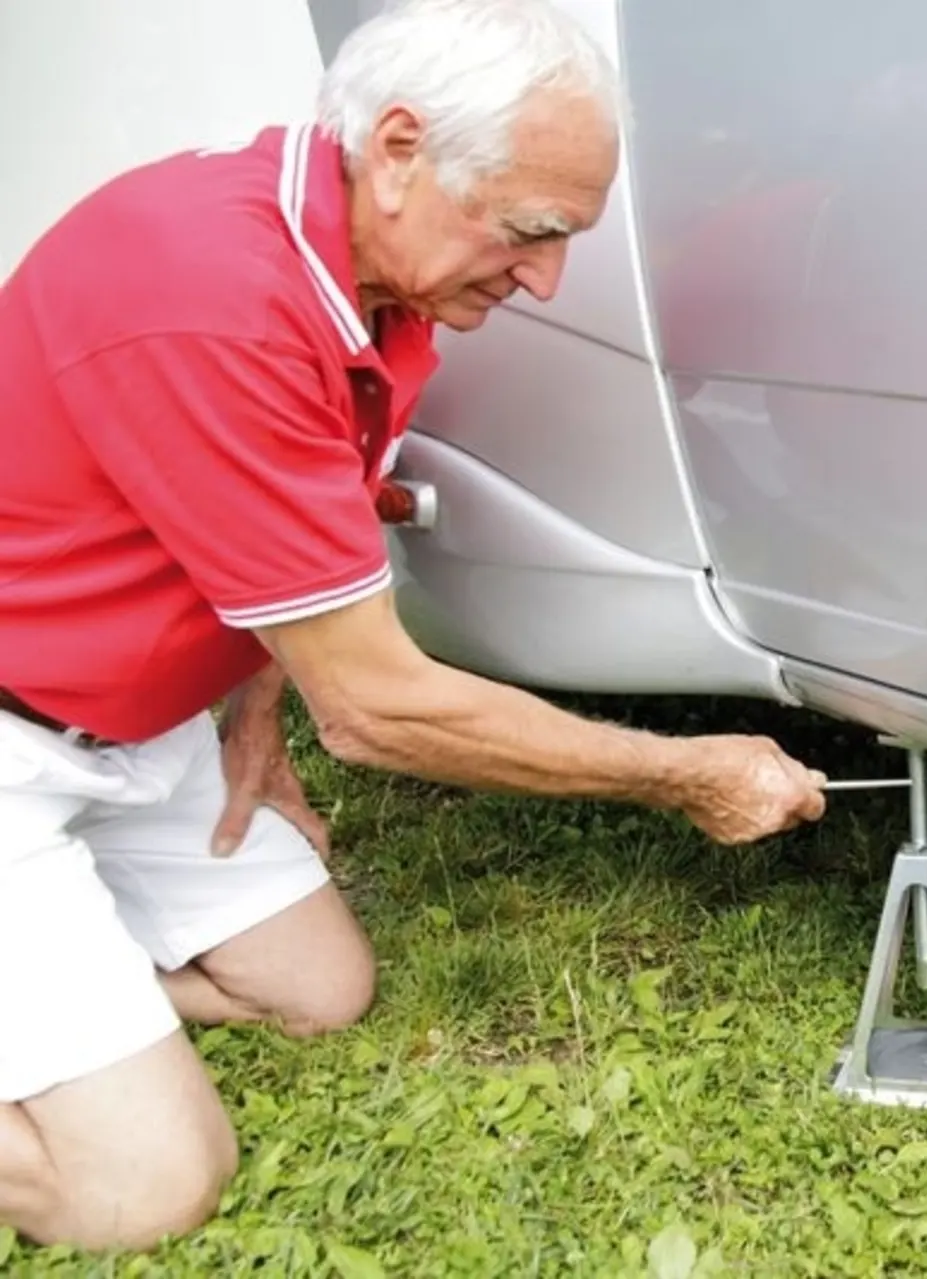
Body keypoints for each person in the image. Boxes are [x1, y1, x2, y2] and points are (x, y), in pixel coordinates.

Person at [0, 0, 827, 1252]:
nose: (545, 279)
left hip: (128, 732)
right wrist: (684, 772)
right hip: (14, 736)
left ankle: (79, 994)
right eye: (533, 230)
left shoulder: (367, 283)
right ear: (398, 150)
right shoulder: (211, 297)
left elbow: (267, 526)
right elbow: (376, 708)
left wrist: (254, 701)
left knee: (319, 992)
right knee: (144, 1185)